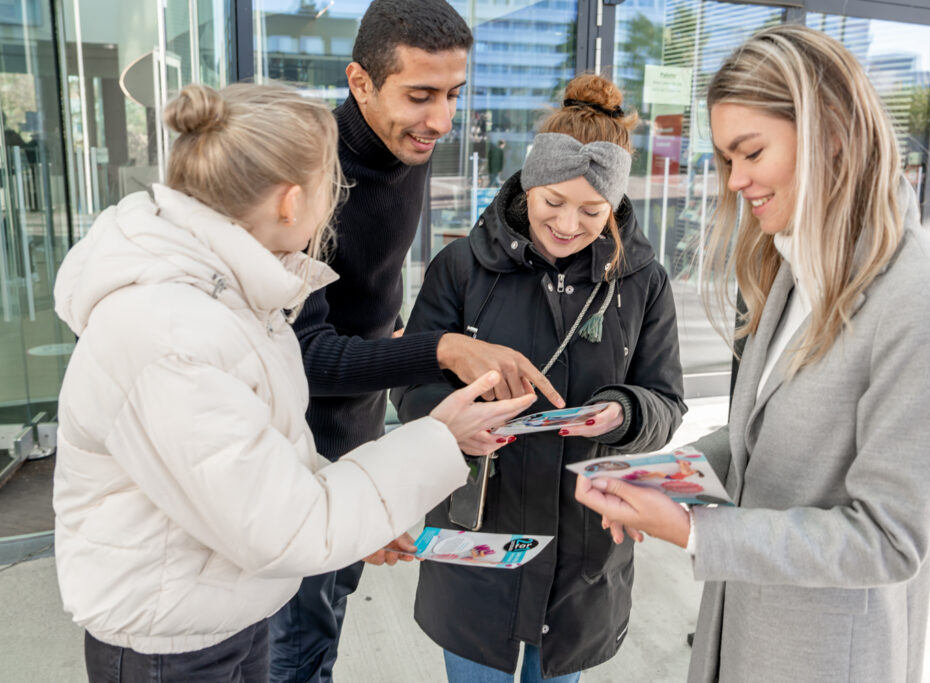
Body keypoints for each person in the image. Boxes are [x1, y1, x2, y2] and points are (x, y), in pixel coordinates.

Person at [51, 82, 537, 682]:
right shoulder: (172, 335)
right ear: (290, 202)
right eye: (332, 185)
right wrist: (439, 438)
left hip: (218, 610)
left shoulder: (230, 295)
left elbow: (264, 463)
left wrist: (364, 518)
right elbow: (284, 527)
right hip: (171, 647)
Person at [574, 25, 930, 683]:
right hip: (740, 632)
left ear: (832, 133)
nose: (736, 182)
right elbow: (752, 444)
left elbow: (887, 538)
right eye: (725, 160)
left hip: (823, 655)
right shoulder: (787, 268)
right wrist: (657, 472)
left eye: (751, 152)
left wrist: (695, 531)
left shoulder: (925, 299)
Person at [270, 2, 563, 681]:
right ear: (360, 82)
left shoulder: (408, 149)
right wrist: (441, 347)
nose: (441, 121)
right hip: (292, 462)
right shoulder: (307, 173)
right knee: (293, 650)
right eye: (421, 95)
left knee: (323, 637)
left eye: (454, 94)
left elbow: (365, 302)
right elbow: (302, 355)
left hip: (355, 442)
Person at [392, 74, 687, 682]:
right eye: (552, 202)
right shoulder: (462, 268)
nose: (569, 224)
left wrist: (625, 413)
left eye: (592, 211)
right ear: (528, 185)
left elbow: (666, 402)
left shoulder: (641, 282)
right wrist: (453, 423)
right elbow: (410, 380)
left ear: (615, 207)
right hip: (478, 543)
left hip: (582, 555)